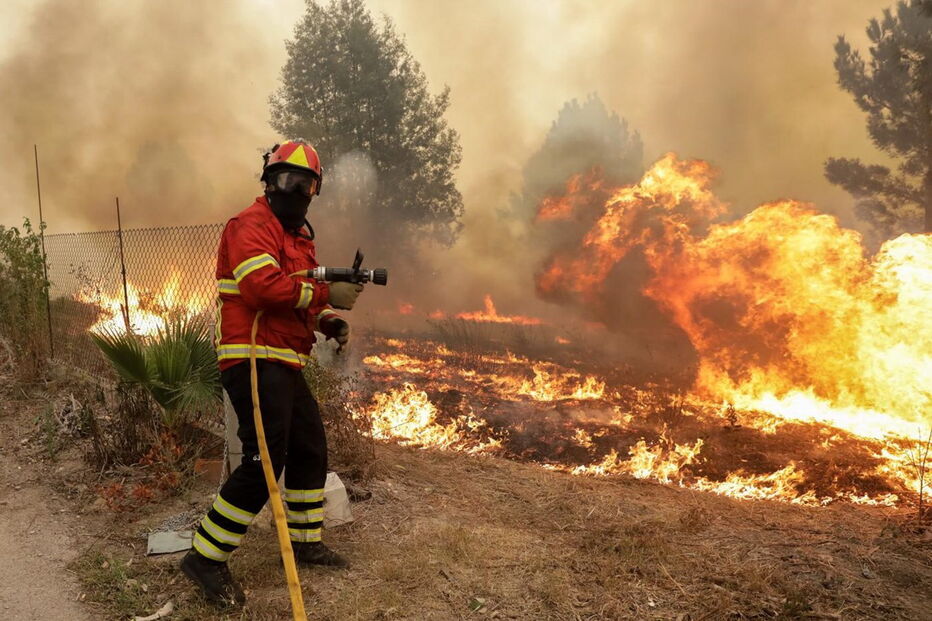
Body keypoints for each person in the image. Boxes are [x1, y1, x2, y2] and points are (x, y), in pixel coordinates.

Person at [180, 140, 363, 607]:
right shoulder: (250, 225)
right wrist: (326, 297)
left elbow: (295, 298)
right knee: (264, 462)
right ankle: (205, 556)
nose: (294, 190)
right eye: (286, 179)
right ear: (269, 180)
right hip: (252, 356)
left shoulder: (301, 238)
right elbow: (262, 289)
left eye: (305, 183)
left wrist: (329, 321)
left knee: (309, 447)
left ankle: (305, 541)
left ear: (314, 190)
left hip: (283, 358)